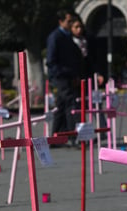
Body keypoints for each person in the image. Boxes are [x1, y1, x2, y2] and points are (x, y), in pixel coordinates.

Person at [46, 9, 83, 141]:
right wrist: (60, 74)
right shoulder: (55, 37)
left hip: (68, 76)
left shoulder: (67, 36)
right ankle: (73, 136)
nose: (71, 23)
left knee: (61, 107)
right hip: (60, 77)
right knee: (70, 105)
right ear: (61, 22)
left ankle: (56, 137)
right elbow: (51, 60)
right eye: (69, 21)